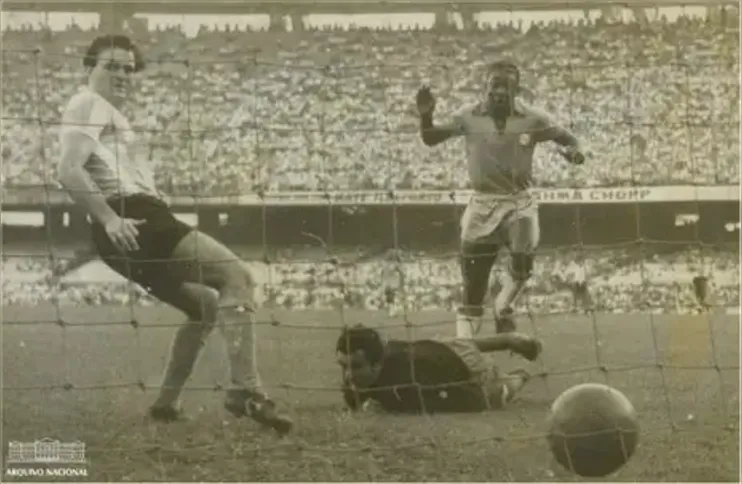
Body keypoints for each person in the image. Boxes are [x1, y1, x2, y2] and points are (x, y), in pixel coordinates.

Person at [56, 34, 291, 434]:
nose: (122, 75)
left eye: (129, 68)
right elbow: (67, 170)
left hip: (127, 228)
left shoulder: (111, 114)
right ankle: (244, 390)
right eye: (111, 66)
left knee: (205, 308)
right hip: (133, 220)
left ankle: (165, 405)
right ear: (88, 67)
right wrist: (112, 218)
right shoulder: (88, 103)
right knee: (239, 277)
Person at [415, 60, 586, 338]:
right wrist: (426, 116)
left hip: (519, 200)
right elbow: (431, 139)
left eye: (506, 86)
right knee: (473, 286)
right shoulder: (468, 116)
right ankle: (465, 346)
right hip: (482, 202)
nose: (500, 91)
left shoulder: (534, 119)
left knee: (522, 258)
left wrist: (575, 153)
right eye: (495, 84)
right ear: (485, 87)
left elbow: (570, 139)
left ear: (516, 89)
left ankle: (504, 304)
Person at [336, 324, 541, 413]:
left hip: (465, 366)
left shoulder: (406, 384)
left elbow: (473, 399)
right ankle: (509, 340)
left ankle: (520, 375)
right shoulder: (359, 377)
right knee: (460, 344)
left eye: (355, 367)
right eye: (343, 366)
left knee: (495, 395)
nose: (347, 375)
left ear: (377, 364)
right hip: (436, 347)